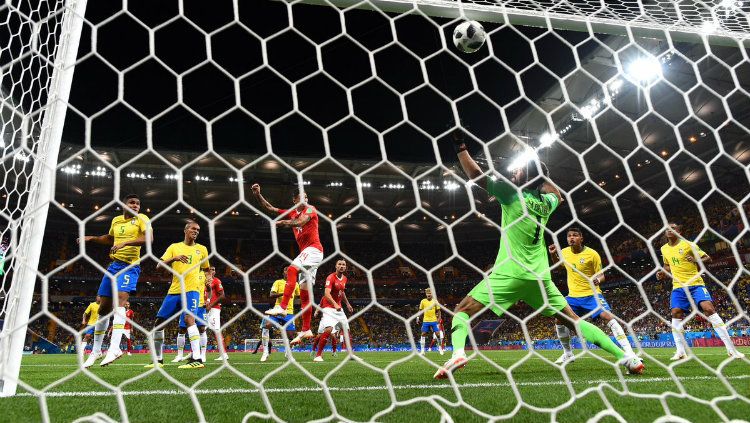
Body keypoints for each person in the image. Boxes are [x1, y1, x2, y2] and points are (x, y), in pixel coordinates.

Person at [434, 134, 644, 379]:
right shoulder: (547, 203)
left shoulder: (511, 194)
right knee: (574, 321)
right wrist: (540, 176)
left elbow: (476, 175)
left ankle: (458, 353)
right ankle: (626, 358)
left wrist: (460, 148)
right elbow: (558, 194)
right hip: (540, 276)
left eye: (519, 171)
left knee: (463, 309)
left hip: (510, 271)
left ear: (526, 178)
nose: (514, 174)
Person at [79, 194, 152, 367]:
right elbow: (110, 239)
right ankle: (96, 351)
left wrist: (125, 243)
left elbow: (149, 238)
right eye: (132, 203)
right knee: (102, 309)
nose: (135, 206)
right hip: (113, 266)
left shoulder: (142, 219)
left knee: (120, 301)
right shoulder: (116, 221)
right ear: (123, 205)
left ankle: (114, 349)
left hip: (130, 266)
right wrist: (93, 238)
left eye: (138, 203)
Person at [656, 223, 744, 360]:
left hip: (695, 284)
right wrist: (662, 272)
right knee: (675, 313)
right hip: (678, 286)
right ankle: (680, 352)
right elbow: (667, 265)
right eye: (667, 228)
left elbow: (708, 258)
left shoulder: (688, 244)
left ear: (679, 231)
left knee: (708, 309)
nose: (669, 230)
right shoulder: (664, 249)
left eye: (673, 228)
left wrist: (696, 259)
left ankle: (732, 350)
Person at [549, 227, 635, 364]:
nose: (571, 238)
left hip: (592, 295)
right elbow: (560, 267)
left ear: (581, 238)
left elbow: (602, 275)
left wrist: (597, 280)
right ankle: (568, 353)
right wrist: (554, 255)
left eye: (575, 235)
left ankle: (630, 353)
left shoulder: (592, 254)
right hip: (573, 296)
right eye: (569, 236)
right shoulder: (564, 252)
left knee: (608, 316)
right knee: (559, 320)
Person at [252, 184, 324, 345]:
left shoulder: (311, 209)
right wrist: (258, 194)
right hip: (308, 254)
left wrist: (282, 223)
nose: (306, 199)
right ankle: (306, 329)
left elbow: (301, 222)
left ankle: (283, 307)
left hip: (314, 250)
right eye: (302, 197)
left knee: (291, 269)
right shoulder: (291, 212)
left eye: (307, 196)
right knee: (305, 294)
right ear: (295, 200)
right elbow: (270, 208)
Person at [145, 220, 210, 369]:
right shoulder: (174, 247)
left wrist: (208, 279)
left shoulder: (202, 249)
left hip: (192, 290)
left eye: (198, 230)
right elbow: (158, 266)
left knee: (189, 320)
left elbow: (206, 269)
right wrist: (174, 258)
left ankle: (197, 360)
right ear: (185, 230)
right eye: (193, 229)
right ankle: (158, 360)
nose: (196, 231)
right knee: (158, 323)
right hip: (174, 290)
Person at [314, 259, 353, 362]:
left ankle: (350, 355)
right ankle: (318, 355)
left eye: (343, 265)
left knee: (346, 330)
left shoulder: (344, 279)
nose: (341, 266)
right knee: (328, 329)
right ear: (336, 266)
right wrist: (335, 304)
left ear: (345, 267)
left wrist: (348, 304)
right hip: (329, 307)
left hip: (339, 308)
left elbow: (342, 292)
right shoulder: (330, 277)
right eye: (339, 264)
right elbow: (326, 294)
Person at [258, 267, 299, 362]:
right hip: (277, 310)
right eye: (286, 270)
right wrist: (285, 294)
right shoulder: (278, 282)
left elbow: (297, 296)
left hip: (289, 312)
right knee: (266, 326)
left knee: (291, 336)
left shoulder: (295, 284)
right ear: (283, 272)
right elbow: (271, 295)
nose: (288, 272)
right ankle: (265, 352)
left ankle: (288, 353)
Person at [205, 266, 229, 361]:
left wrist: (211, 305)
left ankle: (224, 354)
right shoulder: (202, 280)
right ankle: (194, 353)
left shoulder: (216, 281)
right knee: (200, 330)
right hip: (203, 308)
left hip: (214, 308)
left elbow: (222, 295)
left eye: (214, 269)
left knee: (216, 330)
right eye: (211, 269)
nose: (213, 271)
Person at [418, 288, 443, 355]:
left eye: (430, 293)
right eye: (427, 293)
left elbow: (439, 311)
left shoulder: (435, 301)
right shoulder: (423, 301)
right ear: (426, 294)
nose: (429, 294)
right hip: (425, 321)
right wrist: (418, 317)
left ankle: (440, 348)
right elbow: (420, 310)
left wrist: (439, 318)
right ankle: (422, 351)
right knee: (423, 334)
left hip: (434, 320)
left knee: (437, 334)